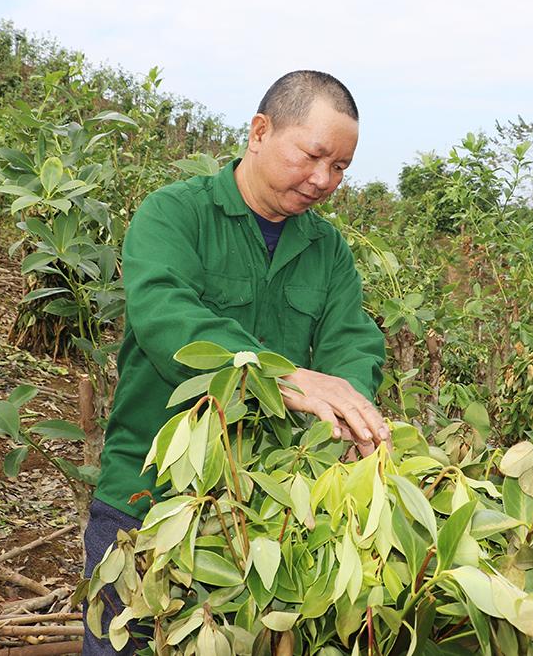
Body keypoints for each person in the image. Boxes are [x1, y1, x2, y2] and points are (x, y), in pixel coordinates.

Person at [81, 70, 388, 653]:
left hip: (262, 508)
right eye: (313, 156)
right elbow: (167, 316)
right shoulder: (174, 215)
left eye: (340, 167)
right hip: (147, 498)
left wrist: (350, 408)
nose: (323, 180)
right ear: (260, 131)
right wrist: (283, 376)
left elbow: (352, 340)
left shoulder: (327, 251)